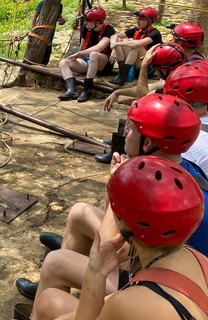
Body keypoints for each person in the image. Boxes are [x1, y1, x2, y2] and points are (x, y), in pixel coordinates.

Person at [16, 94, 208, 313]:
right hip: (173, 265)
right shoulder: (182, 171)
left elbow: (109, 245)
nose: (125, 131)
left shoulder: (155, 188)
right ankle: (63, 276)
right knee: (79, 212)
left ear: (147, 142)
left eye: (131, 128)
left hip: (151, 272)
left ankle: (56, 285)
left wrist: (115, 183)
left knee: (52, 279)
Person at [31, 155, 208, 320]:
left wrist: (96, 273)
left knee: (50, 306)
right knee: (48, 299)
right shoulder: (199, 259)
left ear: (122, 225)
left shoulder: (127, 303)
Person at [95, 42, 186, 164]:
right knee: (136, 104)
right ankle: (123, 143)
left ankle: (121, 151)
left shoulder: (177, 82)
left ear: (164, 70)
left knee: (137, 108)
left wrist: (144, 67)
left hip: (176, 128)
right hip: (180, 121)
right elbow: (150, 87)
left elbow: (143, 98)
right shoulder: (179, 74)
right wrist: (118, 92)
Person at [57, 8, 115, 102]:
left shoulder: (109, 30)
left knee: (94, 54)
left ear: (98, 22)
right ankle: (71, 90)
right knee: (63, 63)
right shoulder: (85, 27)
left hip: (103, 63)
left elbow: (99, 48)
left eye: (89, 21)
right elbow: (82, 46)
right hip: (88, 61)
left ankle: (86, 90)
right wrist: (77, 58)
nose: (86, 23)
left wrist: (80, 53)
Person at [109, 7, 162, 86]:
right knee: (119, 40)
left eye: (141, 19)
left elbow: (138, 44)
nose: (137, 21)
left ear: (150, 22)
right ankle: (122, 74)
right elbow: (114, 36)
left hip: (148, 67)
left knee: (136, 46)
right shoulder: (137, 29)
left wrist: (116, 44)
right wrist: (114, 49)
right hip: (136, 63)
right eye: (137, 18)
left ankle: (121, 78)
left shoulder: (155, 33)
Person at [31, 0, 65, 65]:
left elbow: (59, 16)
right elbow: (34, 16)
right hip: (41, 31)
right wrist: (33, 29)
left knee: (48, 51)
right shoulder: (43, 3)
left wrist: (61, 20)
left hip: (51, 31)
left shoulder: (59, 5)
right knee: (43, 50)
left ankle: (43, 66)